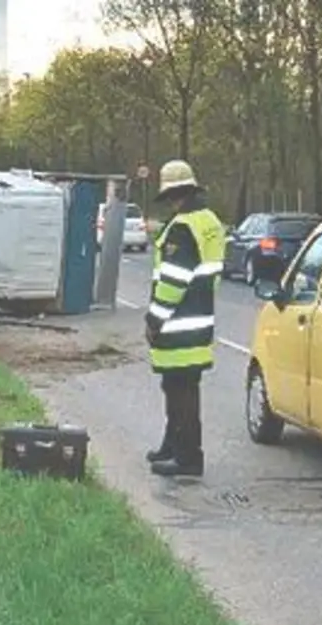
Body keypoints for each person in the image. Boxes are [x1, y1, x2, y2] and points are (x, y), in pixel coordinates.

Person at [144, 160, 226, 478]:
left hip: (177, 323)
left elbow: (173, 282)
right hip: (199, 318)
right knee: (179, 387)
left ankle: (188, 458)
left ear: (173, 195)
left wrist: (154, 320)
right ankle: (172, 446)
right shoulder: (209, 221)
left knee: (181, 393)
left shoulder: (182, 228)